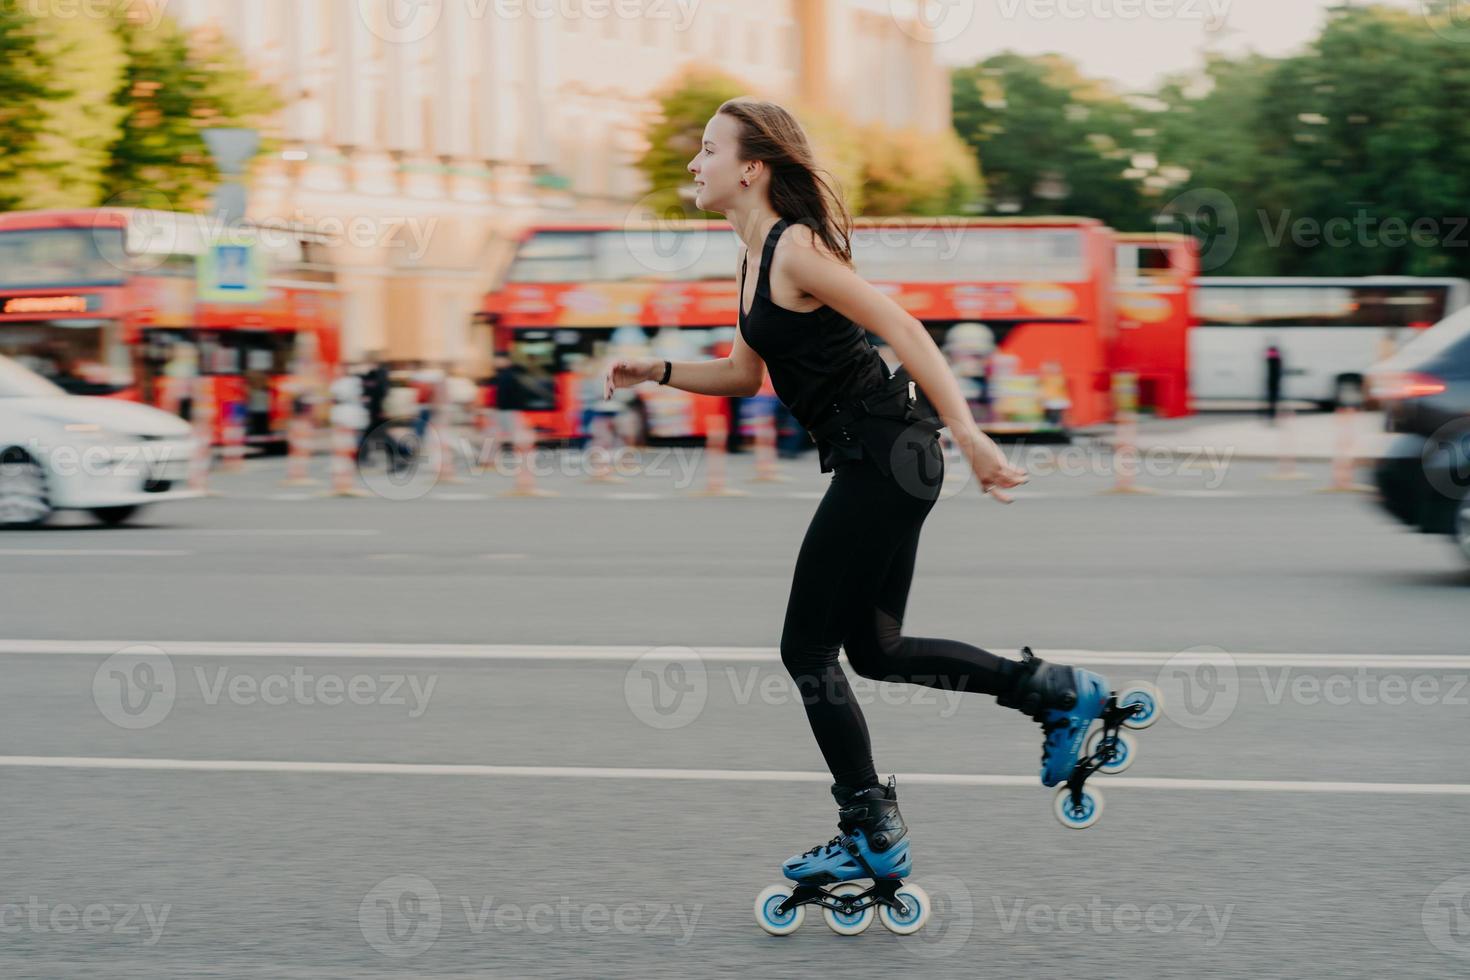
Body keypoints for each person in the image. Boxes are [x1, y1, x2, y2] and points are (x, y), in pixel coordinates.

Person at [604, 98, 1116, 890]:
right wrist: (659, 371)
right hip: (885, 456)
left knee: (804, 649)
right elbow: (745, 376)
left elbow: (906, 331)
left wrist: (972, 433)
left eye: (707, 150)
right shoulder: (752, 255)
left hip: (889, 452)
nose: (692, 165)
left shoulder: (795, 250)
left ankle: (869, 828)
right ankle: (1056, 695)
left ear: (752, 166)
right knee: (873, 653)